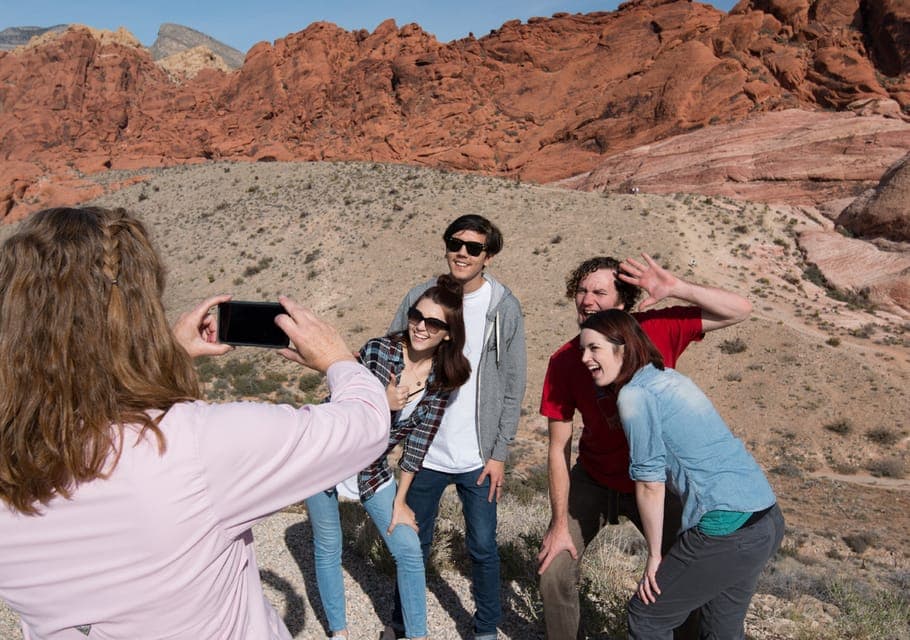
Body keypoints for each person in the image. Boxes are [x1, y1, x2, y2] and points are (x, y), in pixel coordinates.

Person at [0, 206, 390, 640]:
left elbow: (84, 393)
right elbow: (366, 425)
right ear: (139, 312)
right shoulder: (195, 448)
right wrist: (337, 359)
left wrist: (164, 355)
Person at [537, 253, 753, 640]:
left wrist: (678, 288)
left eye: (599, 292)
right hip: (595, 476)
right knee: (554, 570)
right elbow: (558, 448)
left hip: (657, 482)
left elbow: (740, 309)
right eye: (581, 291)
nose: (587, 300)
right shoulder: (567, 360)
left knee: (686, 574)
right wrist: (558, 525)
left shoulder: (655, 330)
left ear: (624, 301)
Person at [579, 310, 784, 638]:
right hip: (765, 518)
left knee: (647, 616)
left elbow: (649, 483)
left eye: (594, 348)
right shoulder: (668, 378)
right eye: (583, 350)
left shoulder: (635, 395)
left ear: (624, 346)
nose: (585, 358)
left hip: (726, 529)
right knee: (719, 629)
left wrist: (655, 555)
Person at [305, 275, 470, 640]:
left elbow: (418, 445)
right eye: (416, 316)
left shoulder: (443, 379)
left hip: (371, 469)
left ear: (448, 334)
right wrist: (382, 402)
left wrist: (400, 501)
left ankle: (417, 635)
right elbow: (340, 406)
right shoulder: (379, 351)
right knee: (329, 547)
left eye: (433, 323)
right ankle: (338, 632)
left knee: (409, 550)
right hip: (327, 458)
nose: (421, 327)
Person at [384, 214, 527, 640]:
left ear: (488, 256)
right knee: (413, 544)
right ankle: (401, 624)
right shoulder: (423, 296)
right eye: (455, 243)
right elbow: (392, 350)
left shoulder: (503, 307)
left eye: (474, 247)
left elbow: (513, 384)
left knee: (482, 548)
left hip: (478, 456)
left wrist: (499, 453)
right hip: (424, 451)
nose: (462, 253)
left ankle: (485, 630)